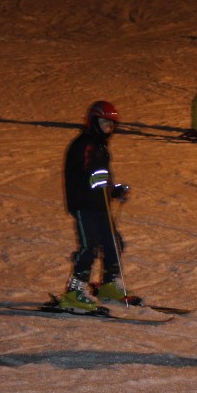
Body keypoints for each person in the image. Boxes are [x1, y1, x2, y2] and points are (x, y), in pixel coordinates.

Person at [56, 101, 135, 312]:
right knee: (89, 247)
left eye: (111, 124)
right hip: (84, 204)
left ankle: (109, 285)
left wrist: (114, 190)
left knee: (113, 243)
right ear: (93, 122)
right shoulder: (84, 144)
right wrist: (96, 183)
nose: (108, 128)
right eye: (104, 123)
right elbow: (82, 175)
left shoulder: (100, 146)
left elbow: (101, 178)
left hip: (99, 204)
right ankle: (74, 292)